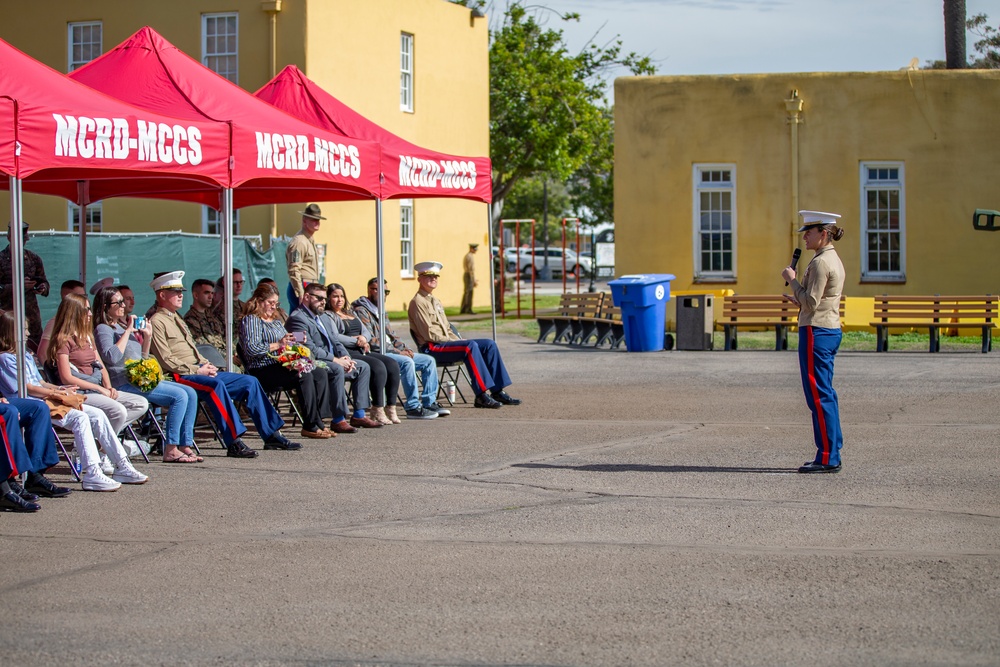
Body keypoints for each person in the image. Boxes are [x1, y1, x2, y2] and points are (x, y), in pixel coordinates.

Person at [147, 271, 297, 457]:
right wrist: (197, 369)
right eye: (175, 292)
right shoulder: (157, 321)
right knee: (214, 386)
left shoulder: (176, 318)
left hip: (198, 369)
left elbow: (193, 349)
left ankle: (271, 434)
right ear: (162, 295)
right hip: (180, 375)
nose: (180, 295)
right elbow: (165, 359)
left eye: (181, 291)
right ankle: (234, 441)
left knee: (249, 382)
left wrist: (206, 365)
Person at [0, 312, 148, 491]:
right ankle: (92, 472)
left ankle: (121, 464)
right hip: (32, 402)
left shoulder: (25, 355)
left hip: (47, 398)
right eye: (23, 330)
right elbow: (27, 388)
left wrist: (58, 389)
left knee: (98, 414)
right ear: (11, 332)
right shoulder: (6, 358)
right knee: (80, 418)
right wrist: (53, 391)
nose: (27, 334)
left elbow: (39, 381)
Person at [93, 286, 202, 464]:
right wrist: (128, 331)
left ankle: (185, 444)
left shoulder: (120, 326)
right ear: (105, 306)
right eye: (119, 302)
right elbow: (111, 357)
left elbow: (141, 358)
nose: (124, 305)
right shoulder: (104, 329)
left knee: (189, 392)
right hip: (122, 383)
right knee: (180, 396)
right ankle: (171, 448)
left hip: (139, 380)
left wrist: (147, 337)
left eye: (124, 300)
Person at [782, 210, 847, 474]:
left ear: (824, 233)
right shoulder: (828, 258)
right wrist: (799, 296)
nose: (805, 236)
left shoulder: (821, 262)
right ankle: (831, 450)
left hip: (817, 331)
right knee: (825, 392)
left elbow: (812, 302)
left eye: (809, 231)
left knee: (818, 395)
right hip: (826, 328)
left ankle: (828, 456)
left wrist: (792, 280)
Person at [408, 261, 521, 409]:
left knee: (489, 344)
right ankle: (481, 395)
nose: (433, 279)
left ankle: (497, 390)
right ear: (419, 279)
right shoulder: (418, 302)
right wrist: (455, 342)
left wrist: (458, 340)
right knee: (469, 347)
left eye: (436, 276)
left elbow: (447, 328)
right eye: (428, 276)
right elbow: (429, 333)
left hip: (444, 343)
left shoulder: (435, 300)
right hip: (432, 347)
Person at [47, 293, 149, 436]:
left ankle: (100, 441)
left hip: (97, 389)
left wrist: (108, 387)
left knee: (140, 403)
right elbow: (66, 378)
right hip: (81, 392)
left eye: (89, 309)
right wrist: (99, 389)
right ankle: (106, 446)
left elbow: (100, 366)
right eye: (85, 310)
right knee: (118, 410)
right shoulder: (63, 341)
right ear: (74, 313)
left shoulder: (87, 337)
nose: (89, 313)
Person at [239, 284, 329, 441]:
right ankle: (309, 425)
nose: (274, 307)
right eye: (270, 303)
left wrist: (296, 339)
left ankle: (317, 420)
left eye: (276, 303)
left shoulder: (274, 321)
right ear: (259, 301)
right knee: (303, 375)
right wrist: (278, 345)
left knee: (319, 372)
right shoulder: (251, 320)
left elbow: (285, 339)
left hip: (280, 364)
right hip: (262, 368)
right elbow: (252, 349)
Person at [285, 283, 374, 434]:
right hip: (313, 361)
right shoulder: (297, 319)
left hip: (332, 358)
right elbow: (310, 349)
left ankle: (359, 415)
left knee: (362, 366)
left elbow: (335, 340)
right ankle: (338, 419)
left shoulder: (323, 317)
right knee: (337, 369)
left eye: (324, 299)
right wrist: (336, 360)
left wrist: (345, 356)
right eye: (319, 298)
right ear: (306, 297)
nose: (323, 302)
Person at [353, 277, 446, 419]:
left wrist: (405, 348)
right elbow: (372, 340)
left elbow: (392, 335)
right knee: (407, 362)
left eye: (384, 291)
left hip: (392, 351)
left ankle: (429, 402)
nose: (380, 293)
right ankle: (413, 407)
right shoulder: (362, 310)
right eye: (375, 289)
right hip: (378, 354)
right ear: (368, 290)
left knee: (428, 361)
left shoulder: (381, 310)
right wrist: (398, 352)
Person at [325, 283, 398, 426]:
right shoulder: (328, 315)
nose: (340, 300)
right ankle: (377, 408)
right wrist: (355, 341)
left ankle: (391, 406)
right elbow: (335, 336)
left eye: (342, 296)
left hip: (361, 349)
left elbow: (365, 331)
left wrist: (364, 338)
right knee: (377, 366)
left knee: (391, 364)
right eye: (335, 297)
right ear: (328, 298)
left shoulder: (350, 313)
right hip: (346, 352)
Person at [0, 221, 49, 349]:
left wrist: (41, 288)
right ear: (9, 238)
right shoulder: (1, 259)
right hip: (9, 318)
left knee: (36, 352)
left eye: (23, 240)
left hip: (31, 318)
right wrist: (17, 286)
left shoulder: (33, 259)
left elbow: (44, 282)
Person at [183, 278, 231, 369]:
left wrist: (234, 353)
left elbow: (224, 338)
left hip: (226, 360)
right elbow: (205, 348)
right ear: (196, 295)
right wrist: (228, 357)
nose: (210, 297)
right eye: (206, 293)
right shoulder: (190, 320)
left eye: (212, 293)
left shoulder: (211, 316)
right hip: (213, 365)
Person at [36, 279, 87, 359]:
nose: (85, 300)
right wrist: (50, 371)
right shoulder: (56, 322)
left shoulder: (86, 319)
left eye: (85, 296)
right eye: (80, 297)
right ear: (68, 298)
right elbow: (42, 354)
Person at [286, 204, 324, 312]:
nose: (317, 222)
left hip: (309, 286)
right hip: (302, 285)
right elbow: (294, 269)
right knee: (299, 321)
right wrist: (300, 292)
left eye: (318, 219)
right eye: (313, 219)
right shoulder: (300, 241)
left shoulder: (308, 240)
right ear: (304, 220)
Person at [460, 243, 478, 314]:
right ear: (471, 248)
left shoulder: (468, 256)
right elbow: (471, 269)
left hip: (467, 274)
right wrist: (474, 280)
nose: (475, 250)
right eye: (474, 249)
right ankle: (468, 308)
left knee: (466, 292)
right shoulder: (470, 256)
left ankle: (463, 308)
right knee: (469, 293)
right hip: (469, 275)